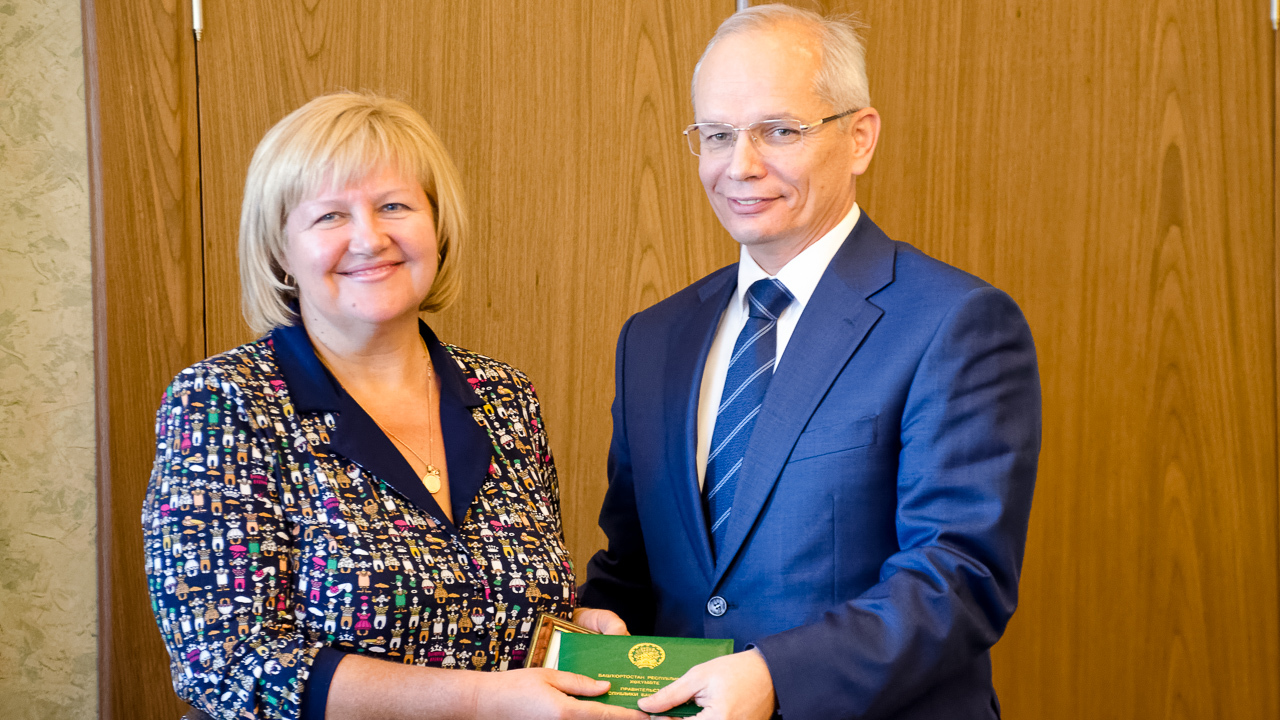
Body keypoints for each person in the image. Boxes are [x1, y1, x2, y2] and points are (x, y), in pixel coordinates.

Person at [579, 5, 1041, 720]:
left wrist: (775, 677)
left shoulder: (955, 322)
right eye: (718, 135)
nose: (741, 165)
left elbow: (958, 576)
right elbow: (633, 566)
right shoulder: (653, 339)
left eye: (779, 131)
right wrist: (595, 621)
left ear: (859, 138)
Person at [142, 92, 645, 720]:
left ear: (436, 227)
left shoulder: (504, 395)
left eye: (394, 206)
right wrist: (481, 702)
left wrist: (568, 628)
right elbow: (226, 663)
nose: (369, 238)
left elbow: (487, 604)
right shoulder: (222, 403)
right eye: (330, 216)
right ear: (281, 250)